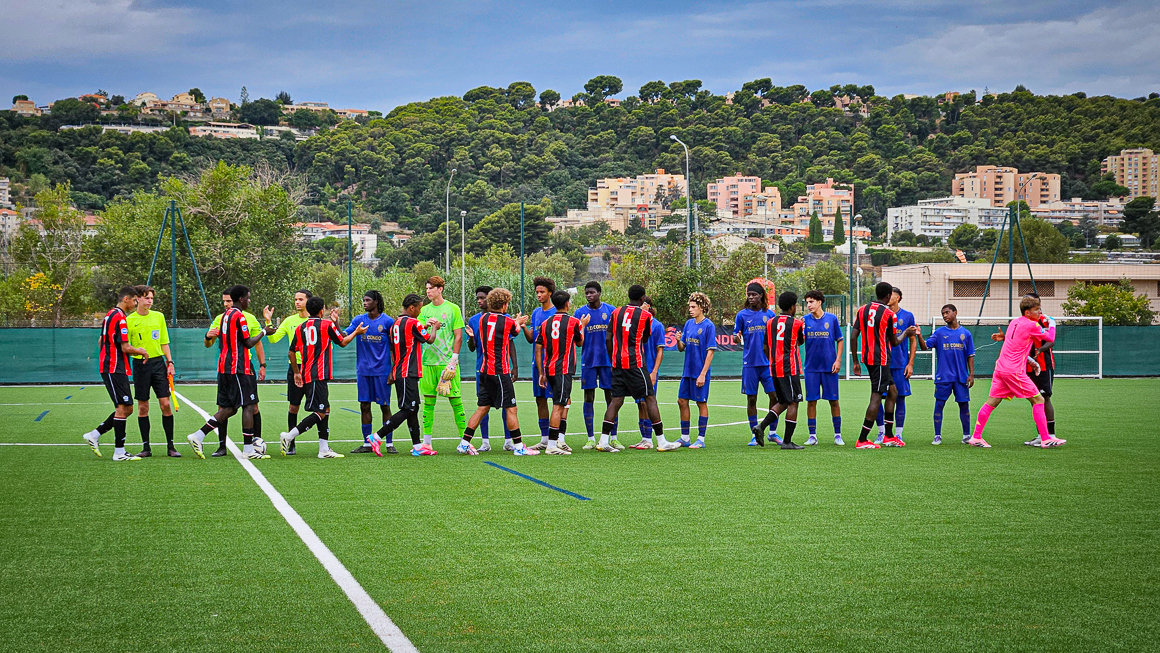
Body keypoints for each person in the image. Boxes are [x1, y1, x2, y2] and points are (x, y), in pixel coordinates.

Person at [968, 295, 1064, 448]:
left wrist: (1031, 362)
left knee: (992, 401)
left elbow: (1016, 347)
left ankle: (976, 437)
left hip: (1000, 369)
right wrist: (1052, 323)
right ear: (1027, 312)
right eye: (1037, 310)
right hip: (1013, 371)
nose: (1040, 312)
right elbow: (1050, 337)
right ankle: (1046, 439)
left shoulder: (1014, 322)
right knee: (1039, 400)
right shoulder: (1032, 325)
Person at [186, 285, 267, 459]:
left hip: (225, 366)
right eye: (247, 297)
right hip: (238, 367)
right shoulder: (239, 316)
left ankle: (198, 436)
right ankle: (248, 450)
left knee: (229, 408)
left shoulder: (224, 317)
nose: (249, 301)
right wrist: (264, 331)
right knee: (248, 405)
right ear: (241, 299)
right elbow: (248, 343)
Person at [279, 296, 365, 458]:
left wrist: (296, 372)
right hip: (317, 375)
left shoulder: (301, 327)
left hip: (307, 373)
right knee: (320, 412)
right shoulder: (326, 325)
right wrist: (356, 332)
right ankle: (289, 436)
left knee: (325, 408)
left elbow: (291, 352)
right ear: (321, 311)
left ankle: (323, 448)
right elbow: (343, 342)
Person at [596, 284, 679, 452]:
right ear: (642, 299)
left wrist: (614, 359)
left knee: (616, 400)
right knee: (650, 398)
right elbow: (646, 338)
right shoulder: (645, 316)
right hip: (635, 364)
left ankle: (603, 441)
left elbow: (608, 338)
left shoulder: (616, 312)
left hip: (617, 363)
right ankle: (661, 441)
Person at [457, 288, 536, 456]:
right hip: (499, 372)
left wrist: (514, 321)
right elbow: (515, 330)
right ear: (505, 304)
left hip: (484, 370)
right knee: (511, 408)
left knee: (482, 407)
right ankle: (519, 447)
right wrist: (518, 321)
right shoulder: (506, 321)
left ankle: (464, 443)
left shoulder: (482, 319)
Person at [82, 286, 150, 461]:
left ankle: (95, 434)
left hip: (113, 366)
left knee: (127, 408)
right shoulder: (120, 318)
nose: (136, 303)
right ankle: (119, 452)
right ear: (126, 299)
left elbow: (100, 341)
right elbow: (125, 347)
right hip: (113, 368)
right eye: (135, 299)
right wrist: (141, 351)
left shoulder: (110, 315)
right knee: (122, 408)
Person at [370, 294, 442, 456]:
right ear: (411, 308)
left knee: (413, 407)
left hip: (401, 371)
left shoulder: (397, 322)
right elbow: (429, 340)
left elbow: (410, 335)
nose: (419, 311)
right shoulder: (412, 322)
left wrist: (424, 325)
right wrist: (434, 328)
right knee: (408, 408)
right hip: (407, 371)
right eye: (419, 308)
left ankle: (417, 446)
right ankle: (377, 436)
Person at [850, 282, 918, 449]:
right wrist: (906, 333)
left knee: (893, 392)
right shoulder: (889, 314)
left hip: (868, 358)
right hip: (880, 359)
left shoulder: (862, 310)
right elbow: (895, 342)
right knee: (876, 396)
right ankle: (862, 439)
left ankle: (888, 436)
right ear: (888, 296)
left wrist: (855, 361)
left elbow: (853, 337)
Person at [207, 290, 269, 457]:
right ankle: (223, 446)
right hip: (233, 368)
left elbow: (258, 344)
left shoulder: (248, 318)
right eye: (224, 301)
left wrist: (262, 365)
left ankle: (256, 442)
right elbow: (209, 343)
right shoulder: (222, 318)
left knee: (251, 406)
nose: (226, 304)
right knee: (232, 406)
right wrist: (208, 336)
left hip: (244, 366)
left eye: (228, 301)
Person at [126, 285, 178, 457]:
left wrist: (169, 362)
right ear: (137, 299)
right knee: (143, 407)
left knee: (165, 404)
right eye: (147, 298)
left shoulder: (159, 317)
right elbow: (125, 346)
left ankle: (171, 446)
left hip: (158, 364)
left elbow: (164, 342)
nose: (150, 301)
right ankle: (146, 448)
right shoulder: (129, 320)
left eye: (151, 298)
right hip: (140, 366)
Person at [464, 285, 517, 451]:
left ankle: (508, 440)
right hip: (494, 369)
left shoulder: (486, 320)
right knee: (506, 406)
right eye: (478, 298)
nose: (480, 301)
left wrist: (515, 366)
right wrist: (472, 339)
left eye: (482, 298)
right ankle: (486, 441)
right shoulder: (478, 319)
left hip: (488, 369)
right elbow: (472, 347)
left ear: (490, 299)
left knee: (488, 406)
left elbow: (510, 342)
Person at [536, 290, 588, 454]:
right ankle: (552, 445)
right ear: (567, 304)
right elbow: (579, 343)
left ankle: (554, 442)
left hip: (549, 369)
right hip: (564, 370)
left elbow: (538, 347)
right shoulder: (574, 322)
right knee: (559, 406)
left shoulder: (545, 323)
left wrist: (541, 372)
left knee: (558, 404)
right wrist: (583, 326)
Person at [417, 276, 466, 452]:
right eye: (426, 288)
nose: (428, 291)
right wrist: (427, 325)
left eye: (431, 288)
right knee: (428, 404)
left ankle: (464, 440)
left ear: (440, 289)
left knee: (456, 402)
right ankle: (427, 442)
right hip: (428, 363)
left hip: (447, 364)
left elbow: (458, 335)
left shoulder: (453, 309)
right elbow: (418, 332)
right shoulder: (423, 311)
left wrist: (454, 359)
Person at [263, 289, 314, 454]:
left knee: (320, 408)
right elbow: (273, 338)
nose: (297, 302)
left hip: (313, 369)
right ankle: (291, 443)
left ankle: (323, 444)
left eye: (301, 299)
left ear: (309, 301)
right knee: (294, 407)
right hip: (295, 369)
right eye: (296, 299)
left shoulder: (317, 321)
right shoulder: (289, 321)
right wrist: (267, 322)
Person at [752, 292, 805, 449]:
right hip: (790, 369)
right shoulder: (796, 324)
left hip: (774, 368)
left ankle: (760, 427)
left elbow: (765, 346)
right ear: (792, 306)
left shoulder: (770, 322)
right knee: (794, 402)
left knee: (783, 401)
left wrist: (773, 360)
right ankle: (787, 442)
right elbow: (800, 341)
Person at [346, 291, 395, 454]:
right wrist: (334, 323)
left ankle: (388, 443)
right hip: (363, 371)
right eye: (363, 300)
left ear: (376, 302)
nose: (364, 303)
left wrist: (393, 371)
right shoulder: (359, 320)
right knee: (364, 406)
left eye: (368, 300)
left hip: (382, 371)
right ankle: (367, 443)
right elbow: (345, 335)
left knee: (385, 406)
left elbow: (394, 347)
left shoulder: (388, 322)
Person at [573, 281, 620, 450]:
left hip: (608, 361)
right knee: (589, 397)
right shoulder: (579, 313)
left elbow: (618, 334)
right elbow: (577, 340)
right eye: (586, 293)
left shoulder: (611, 310)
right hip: (589, 360)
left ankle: (613, 437)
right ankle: (591, 438)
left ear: (599, 293)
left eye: (592, 292)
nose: (589, 295)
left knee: (612, 398)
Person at [919, 304, 975, 445]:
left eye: (947, 312)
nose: (945, 315)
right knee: (939, 405)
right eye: (943, 313)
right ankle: (937, 435)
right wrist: (919, 334)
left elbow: (970, 355)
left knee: (964, 406)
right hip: (943, 377)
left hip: (961, 377)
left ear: (955, 313)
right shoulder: (939, 333)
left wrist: (971, 374)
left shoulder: (966, 334)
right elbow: (924, 346)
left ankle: (966, 435)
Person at [733, 282, 779, 446]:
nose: (751, 297)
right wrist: (736, 338)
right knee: (751, 399)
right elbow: (735, 336)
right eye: (749, 294)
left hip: (768, 364)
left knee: (774, 396)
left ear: (761, 296)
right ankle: (754, 433)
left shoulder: (770, 315)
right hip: (750, 363)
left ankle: (772, 432)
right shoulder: (742, 315)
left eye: (754, 294)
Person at [801, 290, 844, 446]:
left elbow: (840, 340)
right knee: (811, 402)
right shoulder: (804, 320)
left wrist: (838, 360)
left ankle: (837, 435)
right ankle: (812, 436)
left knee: (834, 401)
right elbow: (799, 342)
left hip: (829, 367)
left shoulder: (831, 319)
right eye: (807, 302)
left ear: (820, 302)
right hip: (811, 367)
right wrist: (800, 330)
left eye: (811, 302)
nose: (808, 305)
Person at [674, 292, 716, 448]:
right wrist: (678, 340)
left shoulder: (708, 326)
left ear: (702, 308)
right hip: (687, 372)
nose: (690, 309)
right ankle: (685, 437)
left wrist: (703, 374)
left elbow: (710, 352)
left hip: (700, 373)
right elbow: (681, 348)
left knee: (701, 402)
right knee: (681, 401)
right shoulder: (688, 324)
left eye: (693, 307)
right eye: (689, 307)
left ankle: (701, 439)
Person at [875, 287, 916, 444]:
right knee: (878, 398)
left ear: (898, 297)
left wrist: (910, 363)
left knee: (900, 398)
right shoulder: (881, 314)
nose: (889, 296)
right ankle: (881, 432)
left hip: (899, 364)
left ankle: (898, 433)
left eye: (892, 294)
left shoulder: (907, 316)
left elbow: (913, 340)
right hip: (882, 363)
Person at [523, 277, 557, 450]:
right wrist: (523, 327)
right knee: (540, 399)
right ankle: (544, 439)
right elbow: (532, 340)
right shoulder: (536, 313)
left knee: (558, 400)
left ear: (550, 293)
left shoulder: (556, 312)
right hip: (537, 363)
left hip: (553, 364)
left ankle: (558, 438)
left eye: (542, 292)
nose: (539, 295)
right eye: (537, 292)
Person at [630, 295, 667, 449]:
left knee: (647, 402)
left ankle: (649, 439)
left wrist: (654, 372)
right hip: (636, 369)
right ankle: (644, 438)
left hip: (649, 370)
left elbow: (660, 351)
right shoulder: (634, 324)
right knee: (640, 404)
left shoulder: (657, 326)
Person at [1023, 293, 1058, 447]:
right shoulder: (1024, 321)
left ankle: (1051, 435)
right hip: (1029, 366)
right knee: (1035, 399)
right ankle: (1040, 435)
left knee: (1045, 398)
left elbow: (1050, 340)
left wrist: (1040, 350)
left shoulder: (1045, 319)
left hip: (1044, 366)